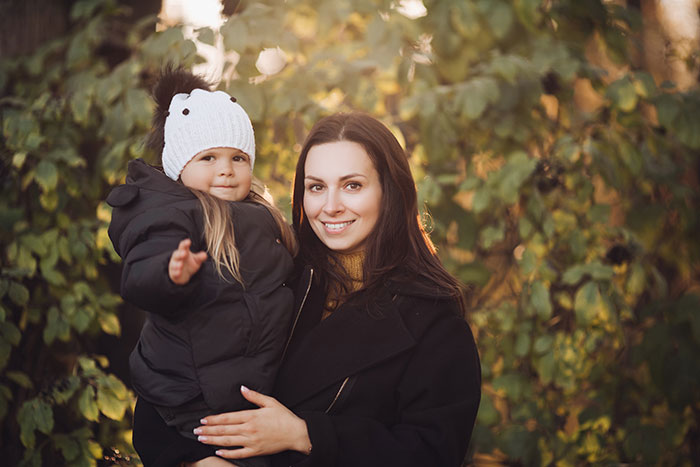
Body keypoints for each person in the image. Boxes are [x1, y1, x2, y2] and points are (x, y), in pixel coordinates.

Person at [133, 112, 481, 467]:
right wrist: (198, 462)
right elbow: (166, 376)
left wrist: (306, 435)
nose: (330, 206)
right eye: (316, 187)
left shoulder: (433, 319)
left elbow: (432, 452)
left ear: (390, 192)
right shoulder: (271, 269)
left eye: (352, 185)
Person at [106, 67, 297, 467]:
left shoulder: (262, 215)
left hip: (238, 398)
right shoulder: (172, 214)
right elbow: (140, 273)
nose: (225, 169)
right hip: (183, 402)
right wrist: (169, 272)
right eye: (208, 157)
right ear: (178, 166)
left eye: (238, 158)